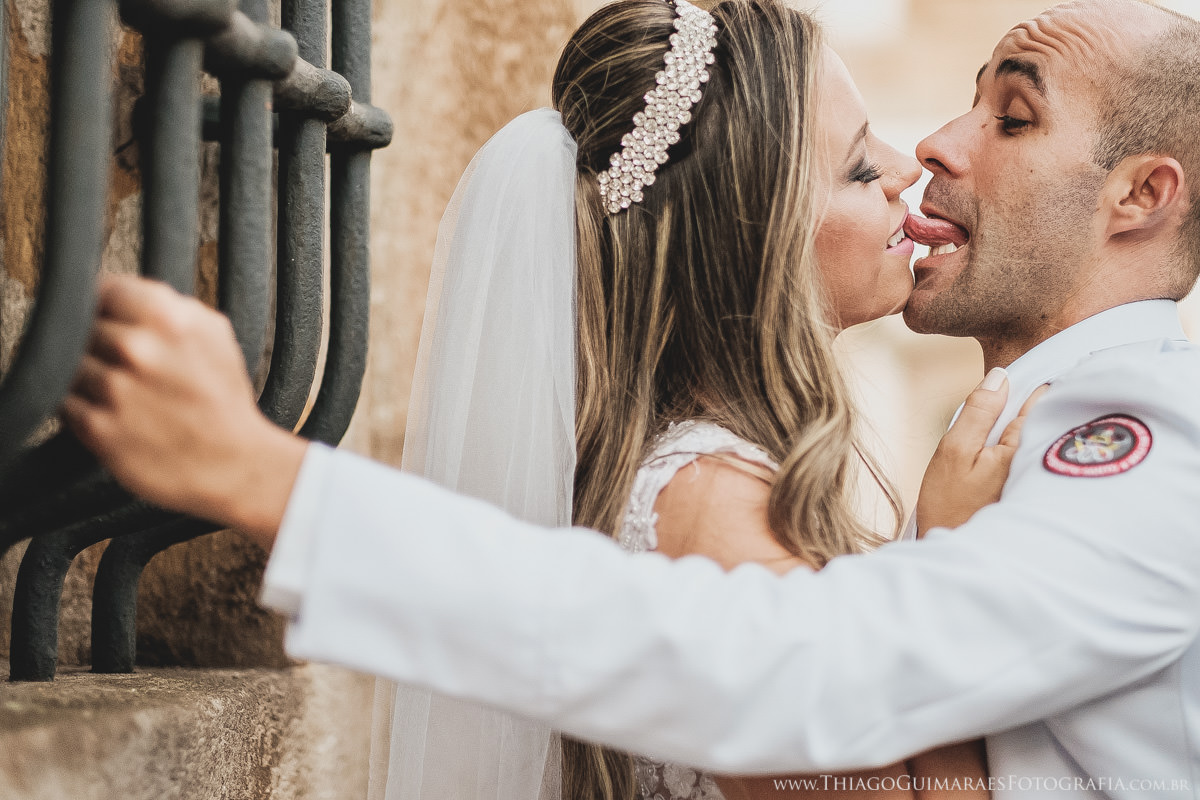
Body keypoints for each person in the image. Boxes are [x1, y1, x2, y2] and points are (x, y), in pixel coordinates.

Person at [62, 0, 1199, 796]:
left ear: (1142, 196)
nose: (933, 149)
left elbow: (787, 671)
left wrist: (274, 481)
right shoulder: (719, 485)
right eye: (858, 164)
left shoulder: (1152, 439)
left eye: (1012, 115)